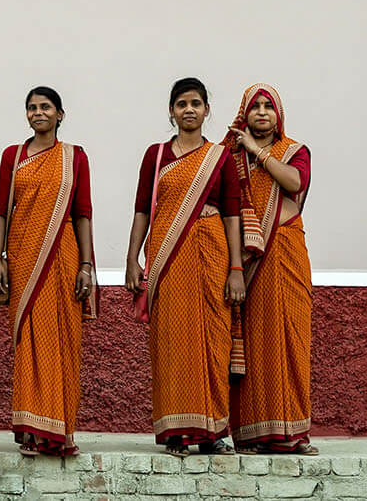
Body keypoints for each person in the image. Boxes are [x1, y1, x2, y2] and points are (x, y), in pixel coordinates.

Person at [124, 77, 245, 455]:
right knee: (172, 340)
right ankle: (177, 432)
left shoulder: (220, 157)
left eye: (196, 103)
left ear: (207, 110)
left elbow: (232, 214)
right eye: (181, 104)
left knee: (213, 340)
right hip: (167, 257)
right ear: (171, 111)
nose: (189, 110)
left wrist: (236, 268)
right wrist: (133, 258)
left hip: (212, 253)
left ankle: (212, 432)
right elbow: (143, 208)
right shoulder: (156, 155)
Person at [0, 86, 95, 457]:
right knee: (29, 341)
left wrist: (86, 265)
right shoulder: (12, 156)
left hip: (63, 256)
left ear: (60, 114)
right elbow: (2, 209)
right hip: (22, 254)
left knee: (63, 340)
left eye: (45, 107)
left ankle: (60, 430)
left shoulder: (74, 157)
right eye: (31, 107)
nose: (38, 113)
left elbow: (82, 213)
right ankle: (32, 430)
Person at [226, 85, 315, 455]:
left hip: (285, 255)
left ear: (279, 115)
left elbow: (295, 183)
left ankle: (293, 433)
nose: (262, 112)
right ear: (244, 114)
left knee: (290, 341)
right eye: (254, 107)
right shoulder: (229, 158)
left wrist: (256, 151)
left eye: (269, 107)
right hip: (245, 265)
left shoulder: (295, 151)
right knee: (251, 344)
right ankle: (251, 433)